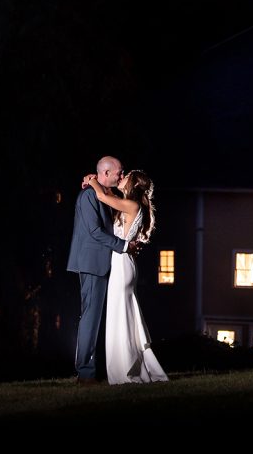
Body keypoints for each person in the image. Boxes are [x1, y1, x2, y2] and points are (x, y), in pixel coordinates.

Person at [83, 168, 169, 384]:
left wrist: (92, 179)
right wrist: (95, 182)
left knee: (120, 315)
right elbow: (108, 195)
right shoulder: (127, 204)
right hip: (123, 264)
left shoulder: (132, 205)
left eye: (125, 177)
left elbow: (102, 195)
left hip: (122, 266)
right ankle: (127, 366)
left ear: (132, 185)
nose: (121, 178)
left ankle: (126, 370)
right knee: (122, 315)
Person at [66, 156, 137, 385]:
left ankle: (96, 370)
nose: (121, 175)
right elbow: (95, 232)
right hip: (91, 264)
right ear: (106, 174)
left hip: (101, 264)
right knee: (90, 317)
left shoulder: (104, 196)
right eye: (119, 172)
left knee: (97, 319)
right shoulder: (88, 196)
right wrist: (125, 246)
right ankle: (85, 373)